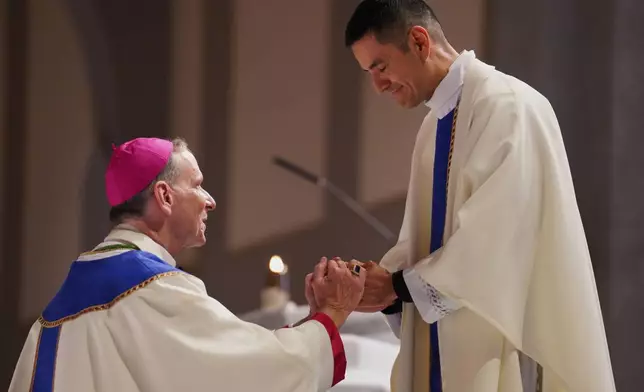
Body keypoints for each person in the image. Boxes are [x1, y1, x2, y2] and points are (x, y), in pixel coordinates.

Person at [341, 1, 616, 391]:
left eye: (380, 67)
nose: (378, 86)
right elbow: (423, 247)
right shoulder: (433, 131)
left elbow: (494, 244)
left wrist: (399, 286)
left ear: (419, 41)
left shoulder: (507, 106)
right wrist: (381, 285)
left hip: (504, 344)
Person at [9, 137, 366, 392]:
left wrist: (314, 322)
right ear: (165, 196)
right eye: (197, 185)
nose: (209, 201)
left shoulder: (53, 314)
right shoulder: (152, 287)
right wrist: (331, 314)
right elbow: (255, 374)